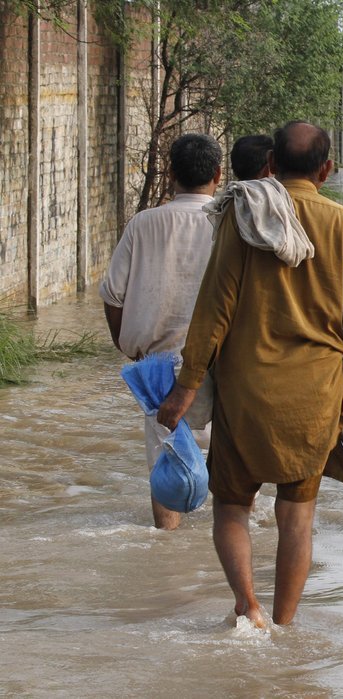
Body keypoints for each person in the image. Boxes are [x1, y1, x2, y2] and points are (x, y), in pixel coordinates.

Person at [156, 121, 343, 628]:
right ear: (327, 170)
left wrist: (186, 387)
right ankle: (286, 625)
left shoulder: (242, 217)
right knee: (296, 519)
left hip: (246, 392)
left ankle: (249, 607)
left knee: (231, 509)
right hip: (314, 396)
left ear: (270, 166)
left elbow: (213, 310)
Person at [98, 133, 222, 531]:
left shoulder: (144, 223)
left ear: (171, 174)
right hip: (223, 363)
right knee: (232, 468)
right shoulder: (228, 223)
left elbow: (113, 294)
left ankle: (166, 554)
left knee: (166, 461)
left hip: (159, 364)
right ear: (219, 175)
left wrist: (126, 344)